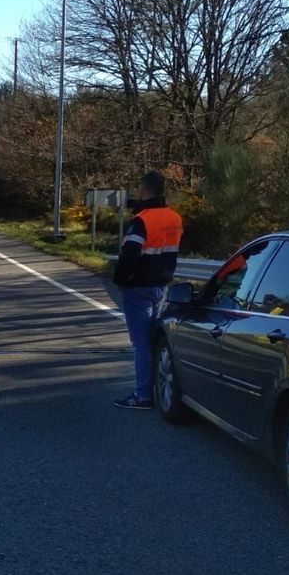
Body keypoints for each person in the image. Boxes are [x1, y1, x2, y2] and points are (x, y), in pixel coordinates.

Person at [113, 170, 184, 410]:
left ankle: (143, 395)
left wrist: (120, 279)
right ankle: (158, 387)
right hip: (161, 285)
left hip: (138, 286)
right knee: (155, 339)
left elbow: (130, 255)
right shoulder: (174, 218)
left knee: (141, 342)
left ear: (143, 191)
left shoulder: (141, 220)